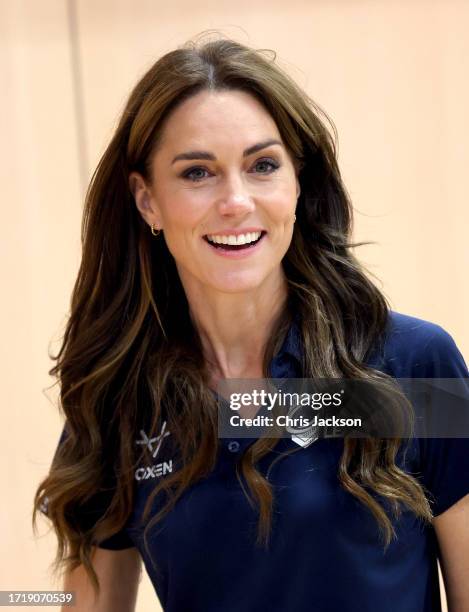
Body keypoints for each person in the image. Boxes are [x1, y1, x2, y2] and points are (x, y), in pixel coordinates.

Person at [33, 34, 469, 612]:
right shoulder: (119, 400)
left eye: (263, 165)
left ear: (297, 183)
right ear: (147, 201)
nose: (237, 201)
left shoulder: (416, 364)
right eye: (197, 173)